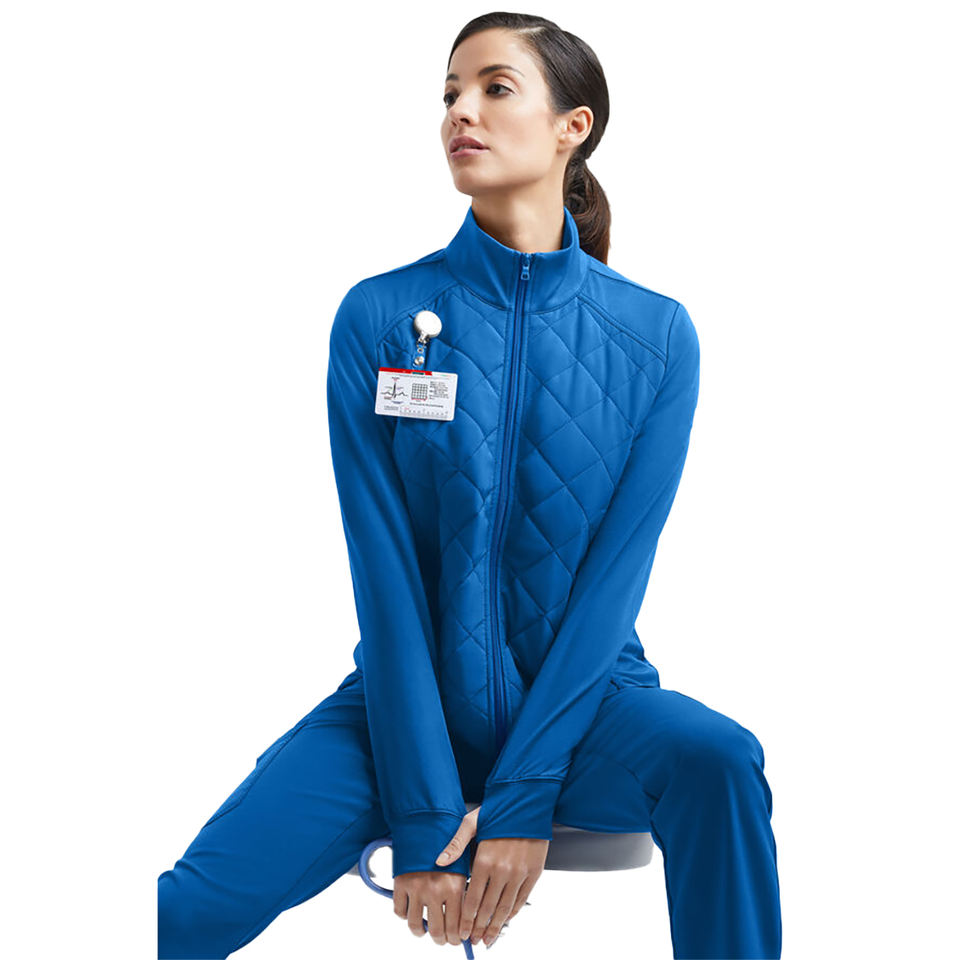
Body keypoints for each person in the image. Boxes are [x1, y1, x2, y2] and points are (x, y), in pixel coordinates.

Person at [157, 12, 782, 959]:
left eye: (495, 88)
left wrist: (524, 798)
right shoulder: (378, 316)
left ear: (573, 127)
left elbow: (614, 583)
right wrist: (421, 819)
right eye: (450, 93)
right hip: (401, 714)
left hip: (585, 710)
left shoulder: (656, 338)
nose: (461, 111)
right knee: (181, 915)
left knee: (720, 760)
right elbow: (385, 578)